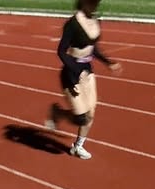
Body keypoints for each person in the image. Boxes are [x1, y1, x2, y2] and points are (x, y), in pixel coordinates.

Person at [46, 0, 122, 160]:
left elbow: (93, 48)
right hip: (72, 73)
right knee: (81, 118)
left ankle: (78, 146)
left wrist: (109, 63)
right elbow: (61, 51)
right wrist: (74, 70)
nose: (96, 5)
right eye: (93, 2)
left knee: (90, 115)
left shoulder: (94, 21)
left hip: (87, 71)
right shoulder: (72, 24)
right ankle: (57, 112)